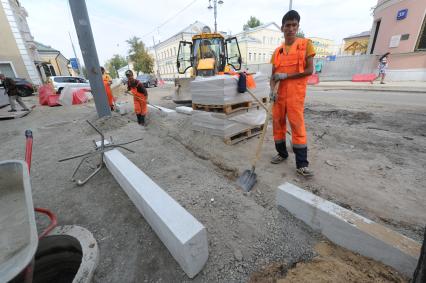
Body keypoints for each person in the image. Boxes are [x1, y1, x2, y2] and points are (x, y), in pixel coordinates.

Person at [269, 10, 316, 177]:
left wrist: (287, 76)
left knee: (297, 127)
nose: (290, 28)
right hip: (280, 96)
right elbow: (273, 76)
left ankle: (302, 164)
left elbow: (310, 70)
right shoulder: (278, 52)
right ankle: (282, 154)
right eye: (287, 25)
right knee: (278, 125)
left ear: (297, 27)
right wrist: (271, 90)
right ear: (282, 28)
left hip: (295, 95)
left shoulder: (306, 45)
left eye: (293, 25)